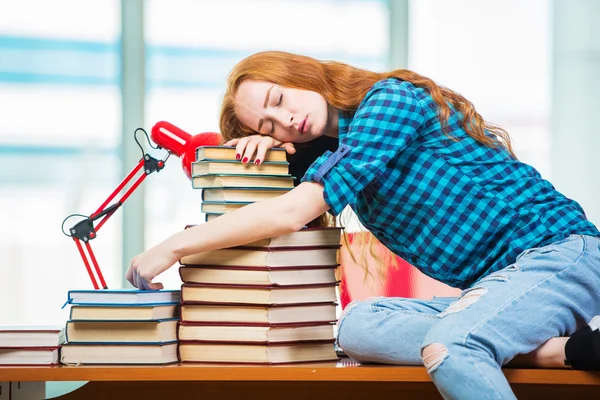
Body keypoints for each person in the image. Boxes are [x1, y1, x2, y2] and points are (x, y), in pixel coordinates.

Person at [126, 51, 600, 399]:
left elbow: (294, 211)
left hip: (562, 255)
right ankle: (561, 351)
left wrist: (174, 247)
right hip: (499, 286)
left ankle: (489, 340)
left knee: (452, 344)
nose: (285, 120)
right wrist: (268, 153)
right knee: (356, 326)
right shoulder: (337, 161)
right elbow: (286, 209)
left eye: (279, 99)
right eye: (268, 125)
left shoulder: (389, 101)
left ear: (303, 74)